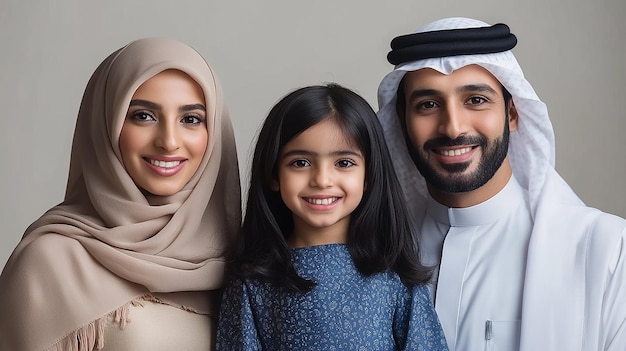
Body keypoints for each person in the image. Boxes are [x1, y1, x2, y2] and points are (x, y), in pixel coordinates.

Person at [376, 17, 626, 351]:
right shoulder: (376, 253)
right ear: (402, 125)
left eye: (476, 99)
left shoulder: (606, 252)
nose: (452, 127)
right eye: (428, 105)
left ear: (512, 113)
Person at [0, 38, 241, 350]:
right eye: (143, 116)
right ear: (106, 124)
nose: (168, 141)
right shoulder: (51, 264)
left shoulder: (240, 259)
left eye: (191, 119)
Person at [215, 83, 448, 350]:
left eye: (344, 163)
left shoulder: (394, 275)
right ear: (273, 174)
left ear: (370, 175)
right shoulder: (253, 281)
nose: (322, 180)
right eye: (300, 162)